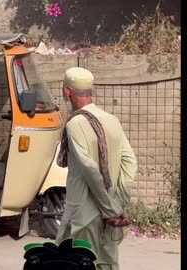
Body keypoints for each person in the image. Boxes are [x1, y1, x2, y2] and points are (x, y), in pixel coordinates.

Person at [55, 67, 138, 270]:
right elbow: (130, 163)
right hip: (111, 212)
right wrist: (119, 204)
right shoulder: (112, 120)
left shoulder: (75, 123)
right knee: (107, 263)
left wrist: (109, 210)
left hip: (84, 214)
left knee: (72, 262)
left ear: (67, 92)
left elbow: (90, 169)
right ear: (92, 91)